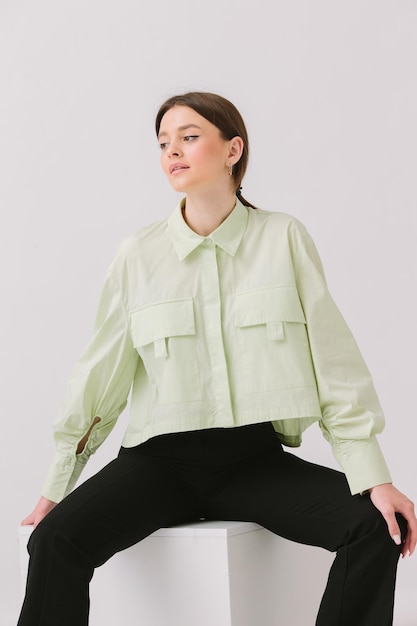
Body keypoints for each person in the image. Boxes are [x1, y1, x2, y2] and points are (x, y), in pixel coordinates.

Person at [18, 91, 416, 626]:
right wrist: (56, 487)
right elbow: (100, 374)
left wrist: (373, 477)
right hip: (157, 463)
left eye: (188, 136)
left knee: (375, 528)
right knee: (54, 542)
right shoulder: (138, 254)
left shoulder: (283, 238)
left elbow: (333, 360)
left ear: (233, 150)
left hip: (252, 461)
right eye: (163, 142)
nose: (172, 152)